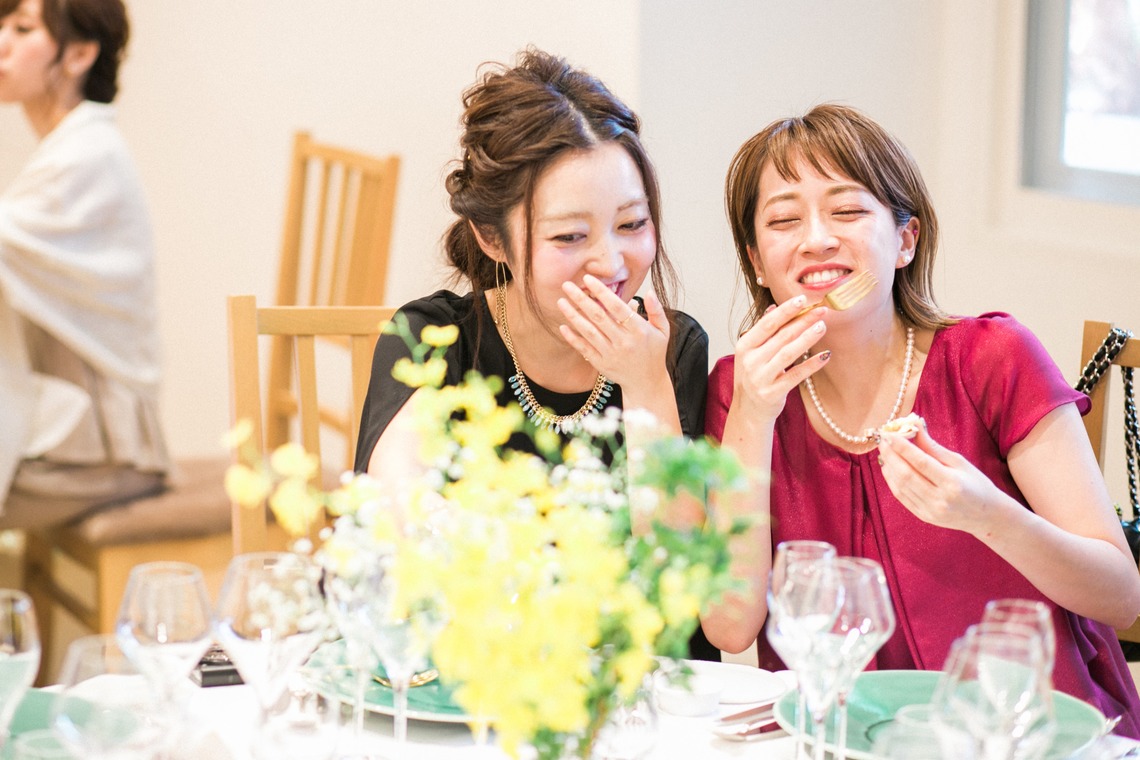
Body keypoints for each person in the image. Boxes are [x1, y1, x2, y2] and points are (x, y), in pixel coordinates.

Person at [702, 103, 1140, 733]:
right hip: (845, 736)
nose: (817, 238)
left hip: (1021, 732)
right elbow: (729, 625)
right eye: (784, 220)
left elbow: (1120, 595)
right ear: (757, 263)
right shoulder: (737, 392)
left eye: (848, 211)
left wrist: (987, 513)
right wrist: (752, 415)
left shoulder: (992, 360)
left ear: (905, 239)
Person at [355, 48, 716, 660]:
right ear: (492, 237)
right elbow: (397, 527)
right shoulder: (438, 339)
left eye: (632, 224)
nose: (611, 263)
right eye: (570, 237)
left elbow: (679, 595)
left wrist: (646, 384)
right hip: (464, 676)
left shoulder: (673, 346)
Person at [0, 0, 168, 529]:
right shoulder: (71, 146)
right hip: (80, 428)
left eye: (22, 28)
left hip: (103, 450)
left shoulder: (86, 156)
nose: (1, 40)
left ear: (78, 54)